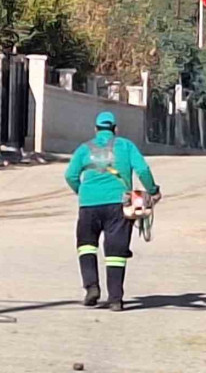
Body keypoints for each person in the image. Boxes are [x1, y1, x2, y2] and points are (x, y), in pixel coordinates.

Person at [64, 111, 161, 312]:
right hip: (119, 204)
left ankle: (91, 287)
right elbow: (142, 169)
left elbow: (70, 175)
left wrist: (82, 192)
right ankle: (115, 299)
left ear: (96, 129)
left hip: (88, 205)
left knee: (86, 246)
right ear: (115, 129)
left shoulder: (84, 148)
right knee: (116, 252)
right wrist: (153, 191)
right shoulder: (125, 146)